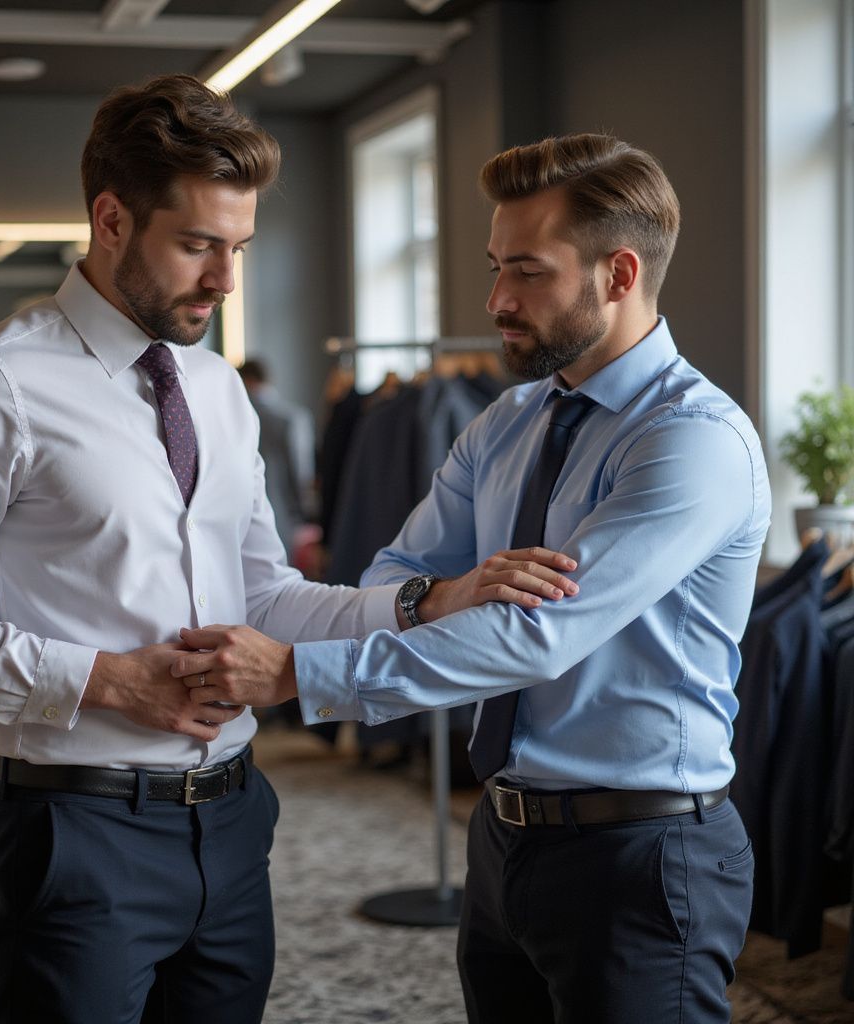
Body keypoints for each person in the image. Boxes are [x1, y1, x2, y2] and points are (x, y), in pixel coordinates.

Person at [0, 75, 580, 1024]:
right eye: (198, 245)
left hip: (234, 820)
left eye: (238, 247)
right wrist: (110, 681)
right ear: (110, 219)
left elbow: (264, 595)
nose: (226, 280)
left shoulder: (217, 392)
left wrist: (426, 600)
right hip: (76, 830)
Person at [173, 133, 772, 1024]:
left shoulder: (692, 442)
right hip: (502, 836)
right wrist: (445, 594)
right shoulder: (509, 420)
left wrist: (296, 673)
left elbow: (536, 636)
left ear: (618, 273)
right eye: (497, 267)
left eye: (527, 272)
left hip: (643, 852)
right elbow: (399, 573)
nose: (496, 299)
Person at [237, 358, 315, 562]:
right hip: (282, 513)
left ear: (246, 380)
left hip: (238, 514)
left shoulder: (233, 416)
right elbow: (300, 474)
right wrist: (304, 513)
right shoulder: (292, 418)